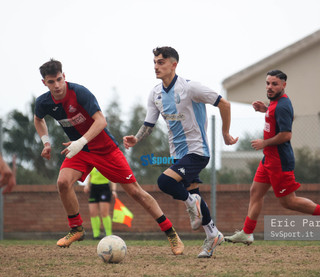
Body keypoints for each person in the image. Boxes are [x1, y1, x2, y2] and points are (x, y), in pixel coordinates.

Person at [34, 59, 184, 255]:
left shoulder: (80, 93)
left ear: (64, 77)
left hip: (105, 150)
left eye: (59, 80)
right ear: (44, 83)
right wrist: (46, 142)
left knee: (136, 193)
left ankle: (171, 233)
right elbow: (38, 119)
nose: (57, 85)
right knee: (62, 182)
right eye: (51, 82)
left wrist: (80, 142)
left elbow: (101, 121)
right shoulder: (43, 102)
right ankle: (77, 229)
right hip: (81, 151)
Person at [123, 47, 238, 258]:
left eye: (161, 62)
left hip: (197, 151)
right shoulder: (155, 93)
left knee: (165, 182)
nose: (156, 66)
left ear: (174, 65)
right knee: (194, 194)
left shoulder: (191, 88)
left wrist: (225, 133)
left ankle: (191, 204)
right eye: (155, 62)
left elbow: (224, 104)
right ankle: (213, 234)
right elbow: (149, 123)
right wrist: (137, 138)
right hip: (178, 154)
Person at [225, 70, 320, 245]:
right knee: (255, 192)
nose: (270, 87)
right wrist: (265, 109)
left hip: (279, 161)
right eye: (268, 83)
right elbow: (276, 116)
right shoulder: (275, 103)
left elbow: (286, 135)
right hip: (268, 159)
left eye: (274, 84)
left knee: (289, 202)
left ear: (283, 85)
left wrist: (265, 143)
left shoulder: (283, 105)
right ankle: (247, 232)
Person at [84, 167, 116, 239]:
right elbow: (90, 175)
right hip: (94, 189)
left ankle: (108, 234)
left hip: (104, 188)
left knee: (104, 213)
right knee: (93, 213)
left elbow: (113, 178)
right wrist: (87, 185)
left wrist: (113, 190)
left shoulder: (106, 163)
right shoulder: (92, 163)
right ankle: (96, 235)